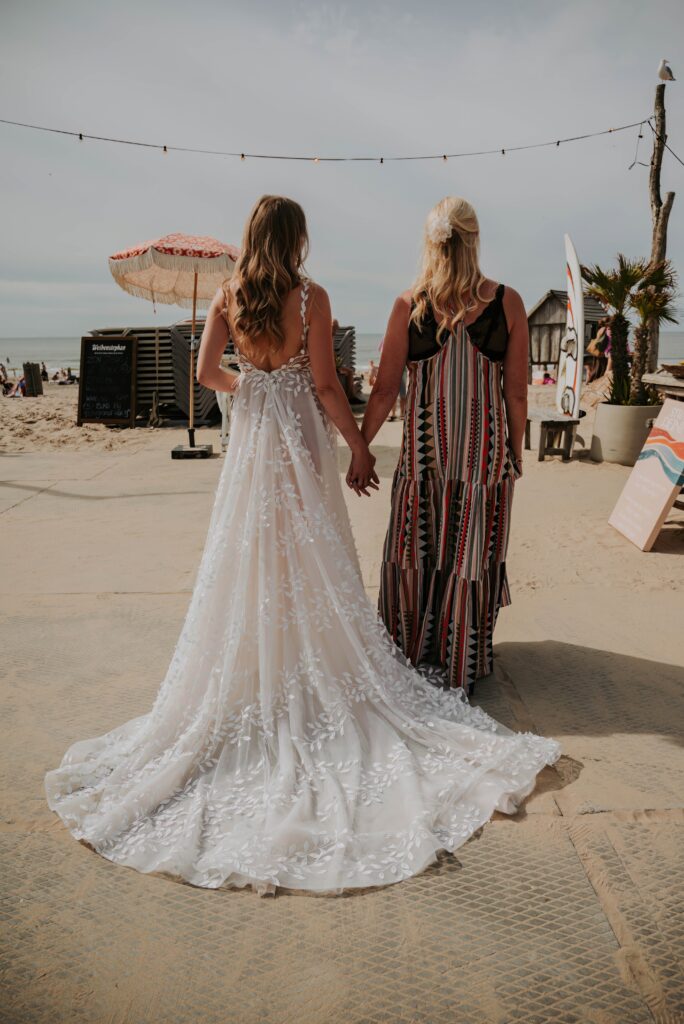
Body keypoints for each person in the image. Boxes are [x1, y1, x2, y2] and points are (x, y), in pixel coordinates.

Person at [44, 194, 559, 897]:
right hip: (299, 446)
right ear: (297, 238)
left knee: (247, 555)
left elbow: (203, 376)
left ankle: (261, 664)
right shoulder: (310, 297)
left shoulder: (229, 293)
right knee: (313, 556)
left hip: (253, 447)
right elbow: (322, 384)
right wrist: (356, 447)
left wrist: (250, 389)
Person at [358, 196, 527, 694]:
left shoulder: (409, 305)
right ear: (474, 239)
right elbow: (515, 393)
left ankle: (410, 651)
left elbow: (386, 390)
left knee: (417, 550)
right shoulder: (506, 302)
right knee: (471, 553)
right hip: (484, 459)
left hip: (423, 458)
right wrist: (514, 454)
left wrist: (360, 447)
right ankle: (462, 657)